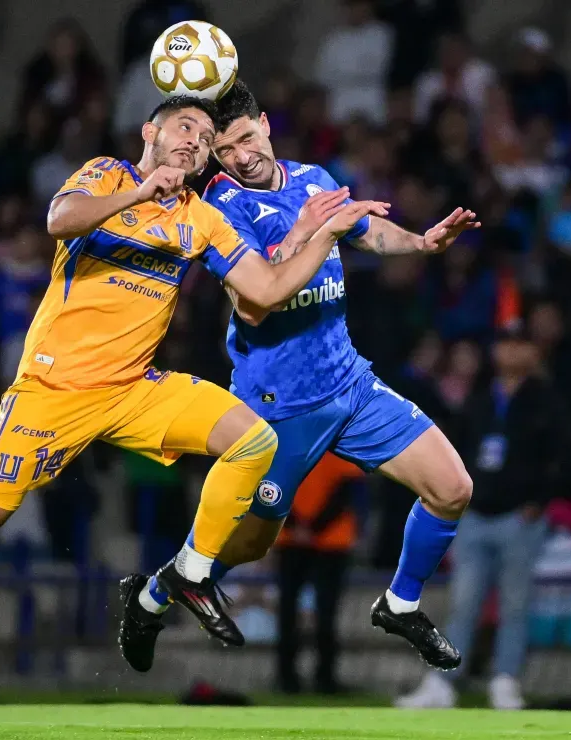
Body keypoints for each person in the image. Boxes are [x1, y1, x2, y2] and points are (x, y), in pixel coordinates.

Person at [0, 95, 386, 735]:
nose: (195, 140)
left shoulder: (198, 215)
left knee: (253, 441)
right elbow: (59, 219)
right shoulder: (108, 176)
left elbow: (266, 290)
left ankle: (183, 576)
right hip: (52, 391)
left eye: (205, 134)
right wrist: (139, 195)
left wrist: (320, 232)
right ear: (149, 132)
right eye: (185, 126)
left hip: (133, 388)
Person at [119, 80, 478, 675]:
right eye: (225, 150)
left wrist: (422, 241)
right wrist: (309, 232)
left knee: (453, 488)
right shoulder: (221, 208)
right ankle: (154, 593)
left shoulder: (312, 176)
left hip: (350, 387)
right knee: (251, 544)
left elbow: (365, 230)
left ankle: (401, 603)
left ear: (265, 124)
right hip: (277, 407)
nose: (240, 156)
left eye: (245, 138)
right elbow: (255, 304)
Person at [397, 326, 571, 710]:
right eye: (504, 342)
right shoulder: (480, 398)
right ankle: (444, 683)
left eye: (518, 342)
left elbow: (568, 460)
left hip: (520, 517)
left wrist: (539, 500)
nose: (509, 350)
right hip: (475, 516)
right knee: (464, 603)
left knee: (515, 604)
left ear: (533, 351)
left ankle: (505, 680)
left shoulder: (547, 400)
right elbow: (455, 448)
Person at [275, 453, 364, 694]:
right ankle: (304, 678)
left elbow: (347, 489)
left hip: (319, 539)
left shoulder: (285, 435)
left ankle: (307, 678)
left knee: (313, 611)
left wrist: (300, 527)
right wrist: (307, 528)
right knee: (301, 611)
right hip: (319, 537)